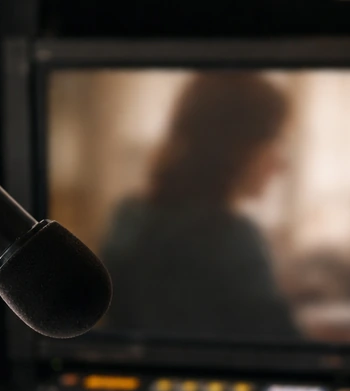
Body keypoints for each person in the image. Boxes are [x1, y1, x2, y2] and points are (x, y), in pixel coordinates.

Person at [99, 73, 300, 340]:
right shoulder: (233, 237)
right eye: (276, 141)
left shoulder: (128, 217)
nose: (282, 165)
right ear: (238, 146)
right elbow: (285, 348)